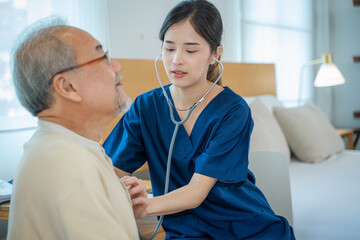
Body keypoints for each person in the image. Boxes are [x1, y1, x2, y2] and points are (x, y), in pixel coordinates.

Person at [104, 0, 295, 239]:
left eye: (190, 50)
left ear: (215, 54)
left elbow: (196, 192)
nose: (176, 60)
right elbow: (111, 170)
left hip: (242, 225)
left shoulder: (233, 110)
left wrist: (145, 206)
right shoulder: (146, 107)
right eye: (169, 48)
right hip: (185, 229)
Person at [7, 17, 147, 240]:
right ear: (67, 87)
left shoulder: (67, 148)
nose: (117, 66)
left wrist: (117, 204)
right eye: (103, 58)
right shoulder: (67, 164)